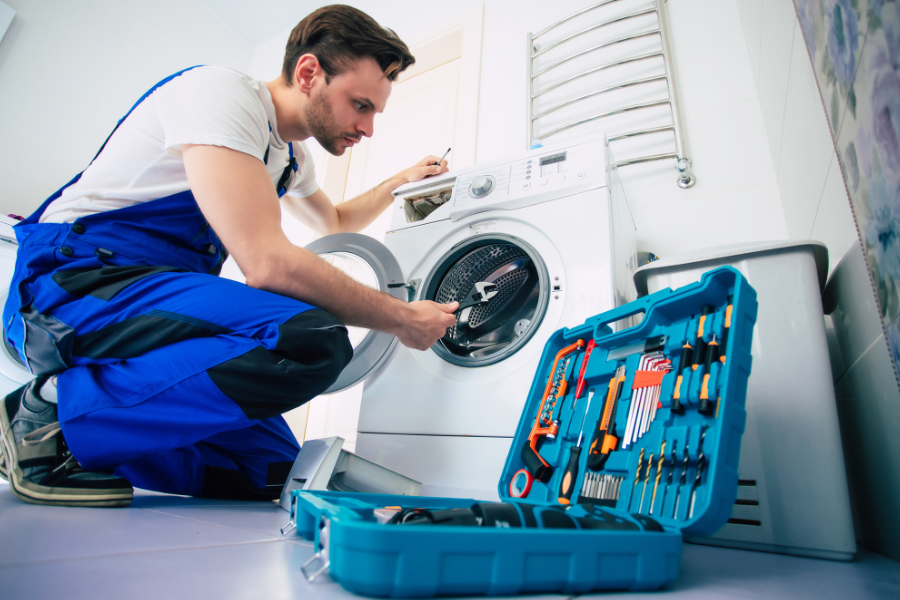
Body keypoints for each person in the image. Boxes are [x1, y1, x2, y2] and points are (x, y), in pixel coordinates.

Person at [0, 4, 458, 507]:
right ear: (308, 73)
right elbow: (269, 264)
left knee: (271, 473)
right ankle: (47, 418)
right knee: (312, 340)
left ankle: (75, 444)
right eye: (360, 105)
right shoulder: (220, 94)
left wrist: (401, 181)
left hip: (153, 304)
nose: (367, 128)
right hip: (74, 286)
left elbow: (335, 223)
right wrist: (402, 318)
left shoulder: (290, 158)